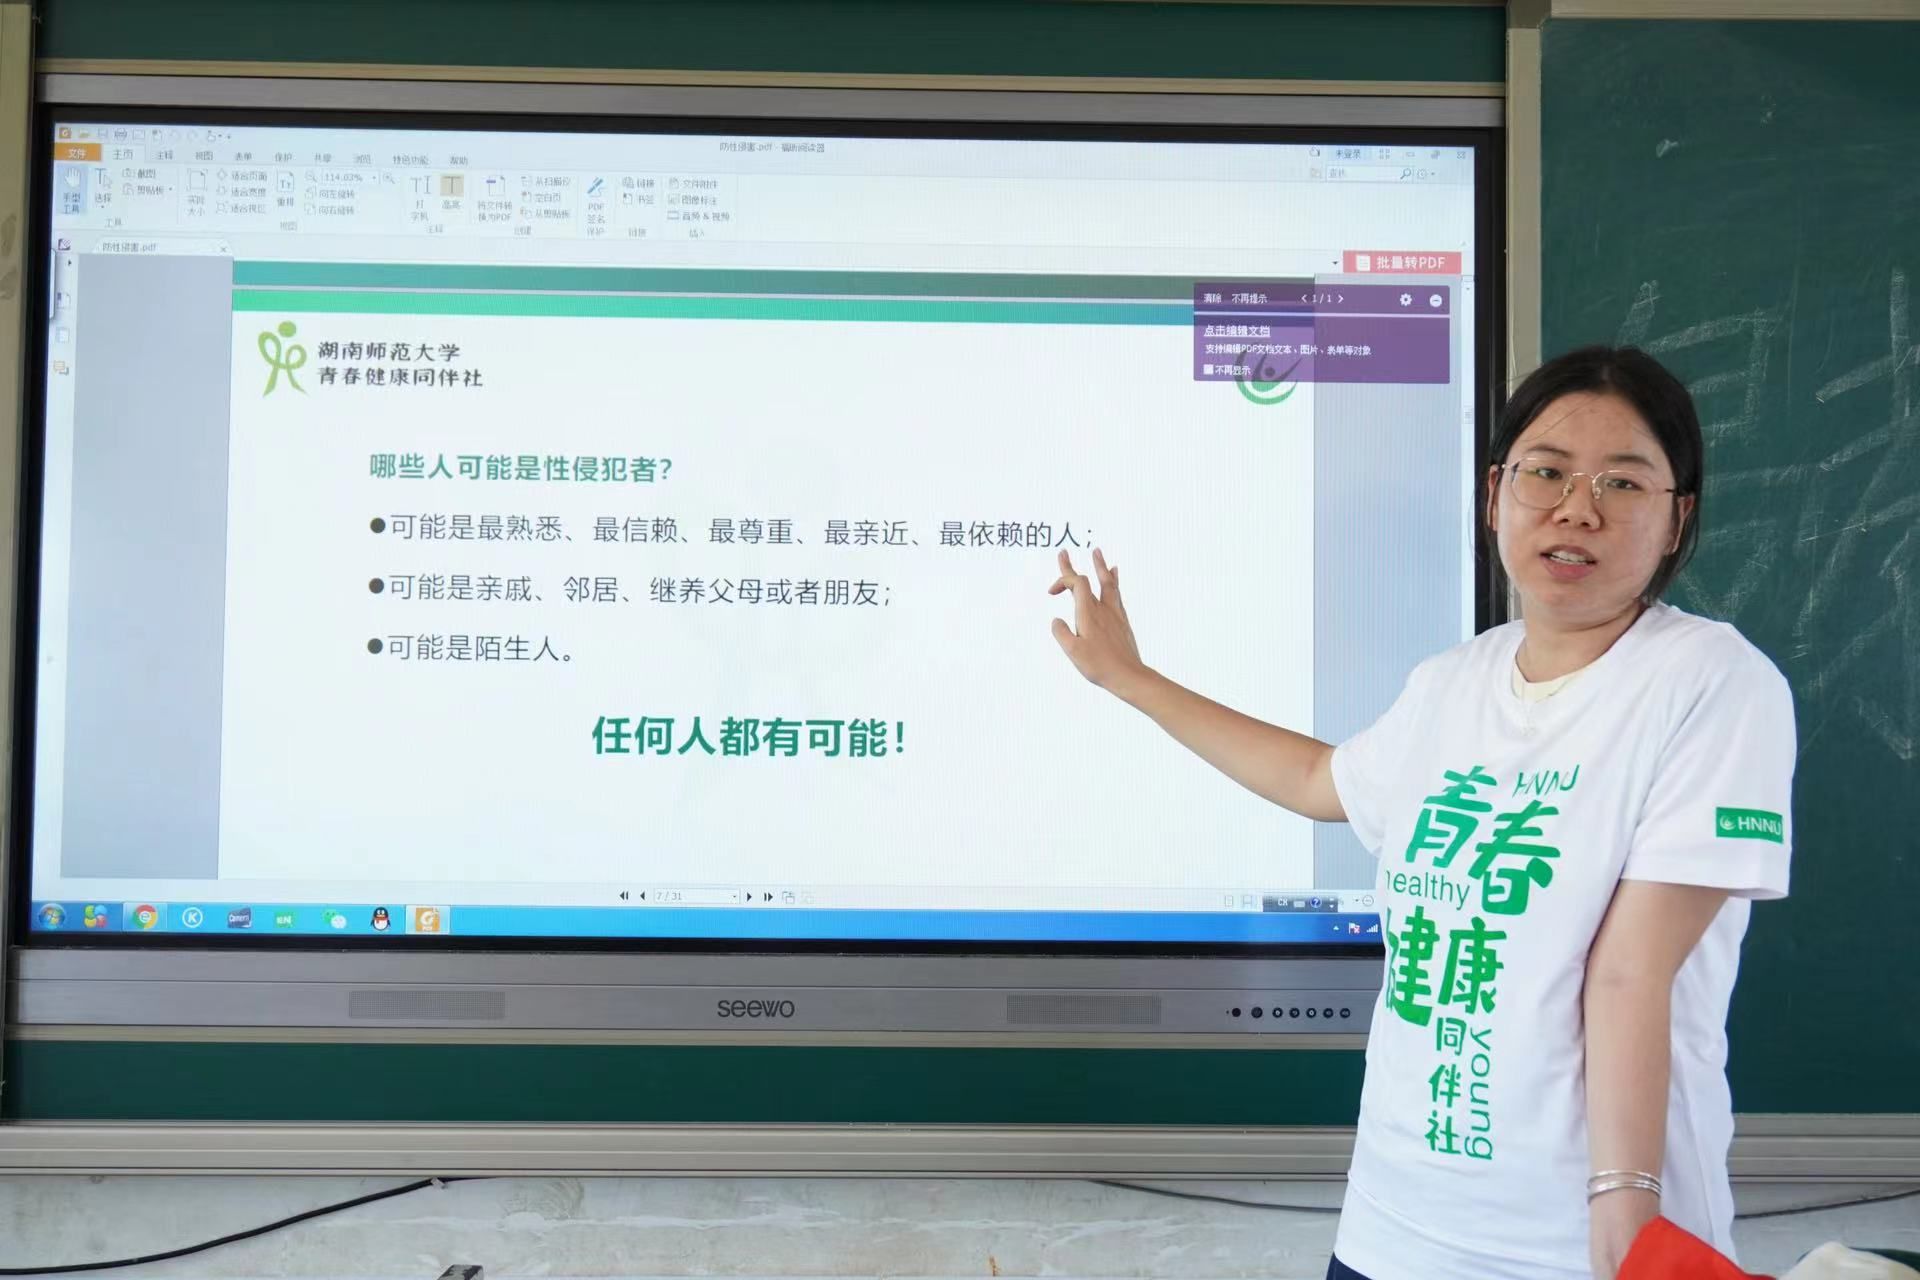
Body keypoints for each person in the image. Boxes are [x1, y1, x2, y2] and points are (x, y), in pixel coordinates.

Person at [1048, 345, 1796, 1280]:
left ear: (1678, 515)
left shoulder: (1713, 683)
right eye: (1547, 473)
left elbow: (1626, 974)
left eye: (1623, 481)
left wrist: (1622, 1215)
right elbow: (1319, 781)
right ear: (1495, 494)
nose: (1578, 508)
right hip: (1391, 1232)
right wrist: (1131, 679)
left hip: (1573, 1248)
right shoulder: (1453, 682)